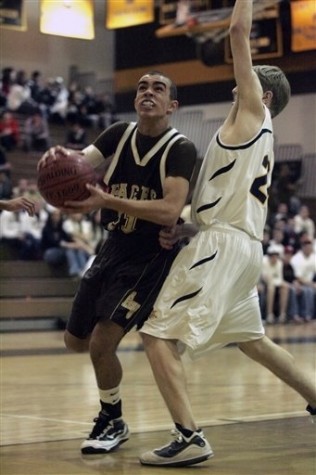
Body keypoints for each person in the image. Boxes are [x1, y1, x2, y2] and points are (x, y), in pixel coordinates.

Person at [138, 0, 316, 467]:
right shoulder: (252, 133)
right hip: (240, 246)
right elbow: (224, 198)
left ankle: (189, 435)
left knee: (157, 335)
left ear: (264, 93)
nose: (241, 81)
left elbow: (239, 30)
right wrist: (189, 225)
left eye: (250, 79)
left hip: (223, 247)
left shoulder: (252, 114)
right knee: (254, 340)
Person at [37, 71, 197, 454]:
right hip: (112, 248)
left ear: (172, 105)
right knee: (76, 342)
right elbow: (78, 164)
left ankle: (113, 419)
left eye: (158, 88)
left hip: (148, 257)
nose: (148, 92)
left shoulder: (181, 148)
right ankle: (113, 413)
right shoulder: (118, 134)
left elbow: (170, 209)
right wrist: (55, 163)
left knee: (101, 344)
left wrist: (109, 202)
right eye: (142, 86)